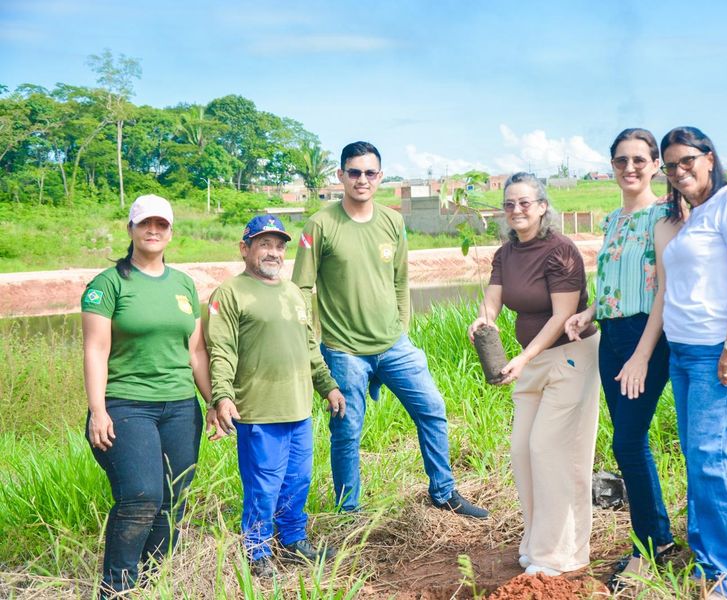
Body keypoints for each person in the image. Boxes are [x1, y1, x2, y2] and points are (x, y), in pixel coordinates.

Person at [291, 141, 487, 519]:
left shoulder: (392, 221)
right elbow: (301, 288)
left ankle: (443, 492)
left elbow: (400, 280)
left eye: (369, 173)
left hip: (395, 345)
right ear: (340, 176)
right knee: (347, 432)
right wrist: (314, 343)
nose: (361, 179)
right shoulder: (321, 224)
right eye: (354, 172)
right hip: (344, 350)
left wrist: (401, 327)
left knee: (432, 408)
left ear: (380, 177)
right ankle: (350, 511)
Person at [467, 172, 600, 576]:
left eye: (525, 202)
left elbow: (562, 316)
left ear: (543, 206)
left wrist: (522, 359)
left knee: (552, 451)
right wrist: (483, 321)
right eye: (509, 204)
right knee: (523, 451)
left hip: (571, 357)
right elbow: (494, 302)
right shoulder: (506, 253)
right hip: (532, 360)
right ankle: (538, 541)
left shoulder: (560, 251)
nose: (516, 210)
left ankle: (559, 554)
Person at [564, 128, 680, 587]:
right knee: (629, 441)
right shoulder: (612, 219)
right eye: (620, 161)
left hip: (645, 335)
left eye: (639, 160)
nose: (629, 168)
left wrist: (642, 355)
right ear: (611, 167)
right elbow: (616, 283)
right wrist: (589, 313)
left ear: (655, 165)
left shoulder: (665, 217)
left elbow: (665, 292)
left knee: (628, 443)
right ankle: (659, 537)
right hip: (612, 334)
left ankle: (649, 549)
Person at [81, 194, 212, 596]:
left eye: (161, 224)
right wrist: (98, 410)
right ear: (131, 229)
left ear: (171, 232)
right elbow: (95, 350)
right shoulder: (108, 284)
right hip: (126, 404)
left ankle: (155, 583)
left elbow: (195, 351)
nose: (153, 230)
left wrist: (214, 403)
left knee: (173, 498)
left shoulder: (183, 283)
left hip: (179, 407)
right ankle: (117, 588)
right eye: (145, 224)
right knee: (141, 496)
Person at [659, 126, 727, 599]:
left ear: (708, 157)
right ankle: (709, 559)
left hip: (717, 350)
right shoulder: (695, 214)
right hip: (684, 353)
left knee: (712, 456)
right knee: (697, 456)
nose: (679, 171)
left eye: (687, 160)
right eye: (671, 165)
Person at [204, 215, 346, 577]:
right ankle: (257, 550)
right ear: (245, 248)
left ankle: (295, 541)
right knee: (263, 486)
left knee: (297, 481)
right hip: (258, 411)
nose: (274, 252)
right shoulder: (230, 293)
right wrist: (221, 396)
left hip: (298, 409)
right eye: (264, 244)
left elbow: (310, 347)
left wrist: (328, 386)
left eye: (279, 246)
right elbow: (219, 351)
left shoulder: (294, 293)